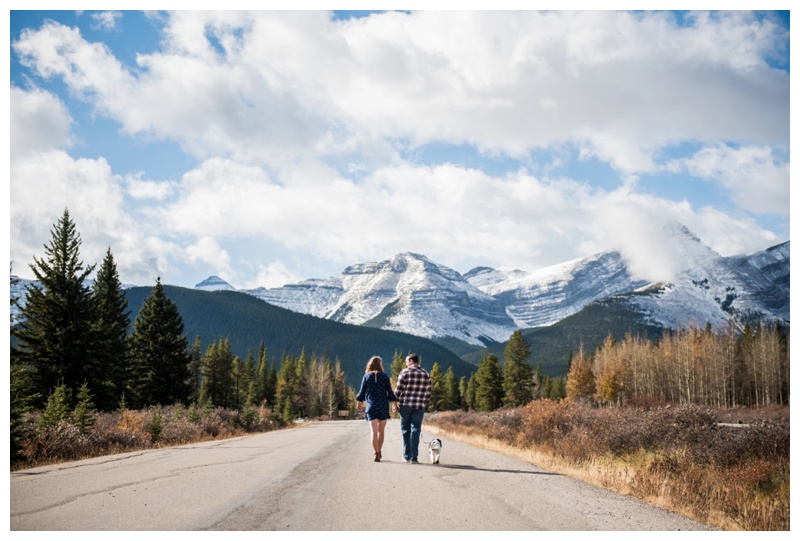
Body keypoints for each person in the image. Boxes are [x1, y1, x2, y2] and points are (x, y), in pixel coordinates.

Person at [355, 356, 397, 462]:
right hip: (383, 405)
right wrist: (395, 404)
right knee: (381, 431)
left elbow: (361, 392)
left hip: (371, 406)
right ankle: (379, 451)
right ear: (379, 365)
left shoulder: (366, 376)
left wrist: (359, 403)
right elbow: (390, 392)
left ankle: (376, 453)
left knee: (373, 431)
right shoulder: (385, 376)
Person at [392, 352, 431, 464]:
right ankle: (414, 458)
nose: (406, 363)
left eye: (406, 361)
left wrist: (395, 404)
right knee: (416, 430)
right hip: (419, 406)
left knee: (405, 430)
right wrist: (424, 403)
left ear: (411, 361)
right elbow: (428, 392)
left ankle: (406, 456)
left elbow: (397, 390)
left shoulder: (404, 372)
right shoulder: (425, 374)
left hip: (406, 406)